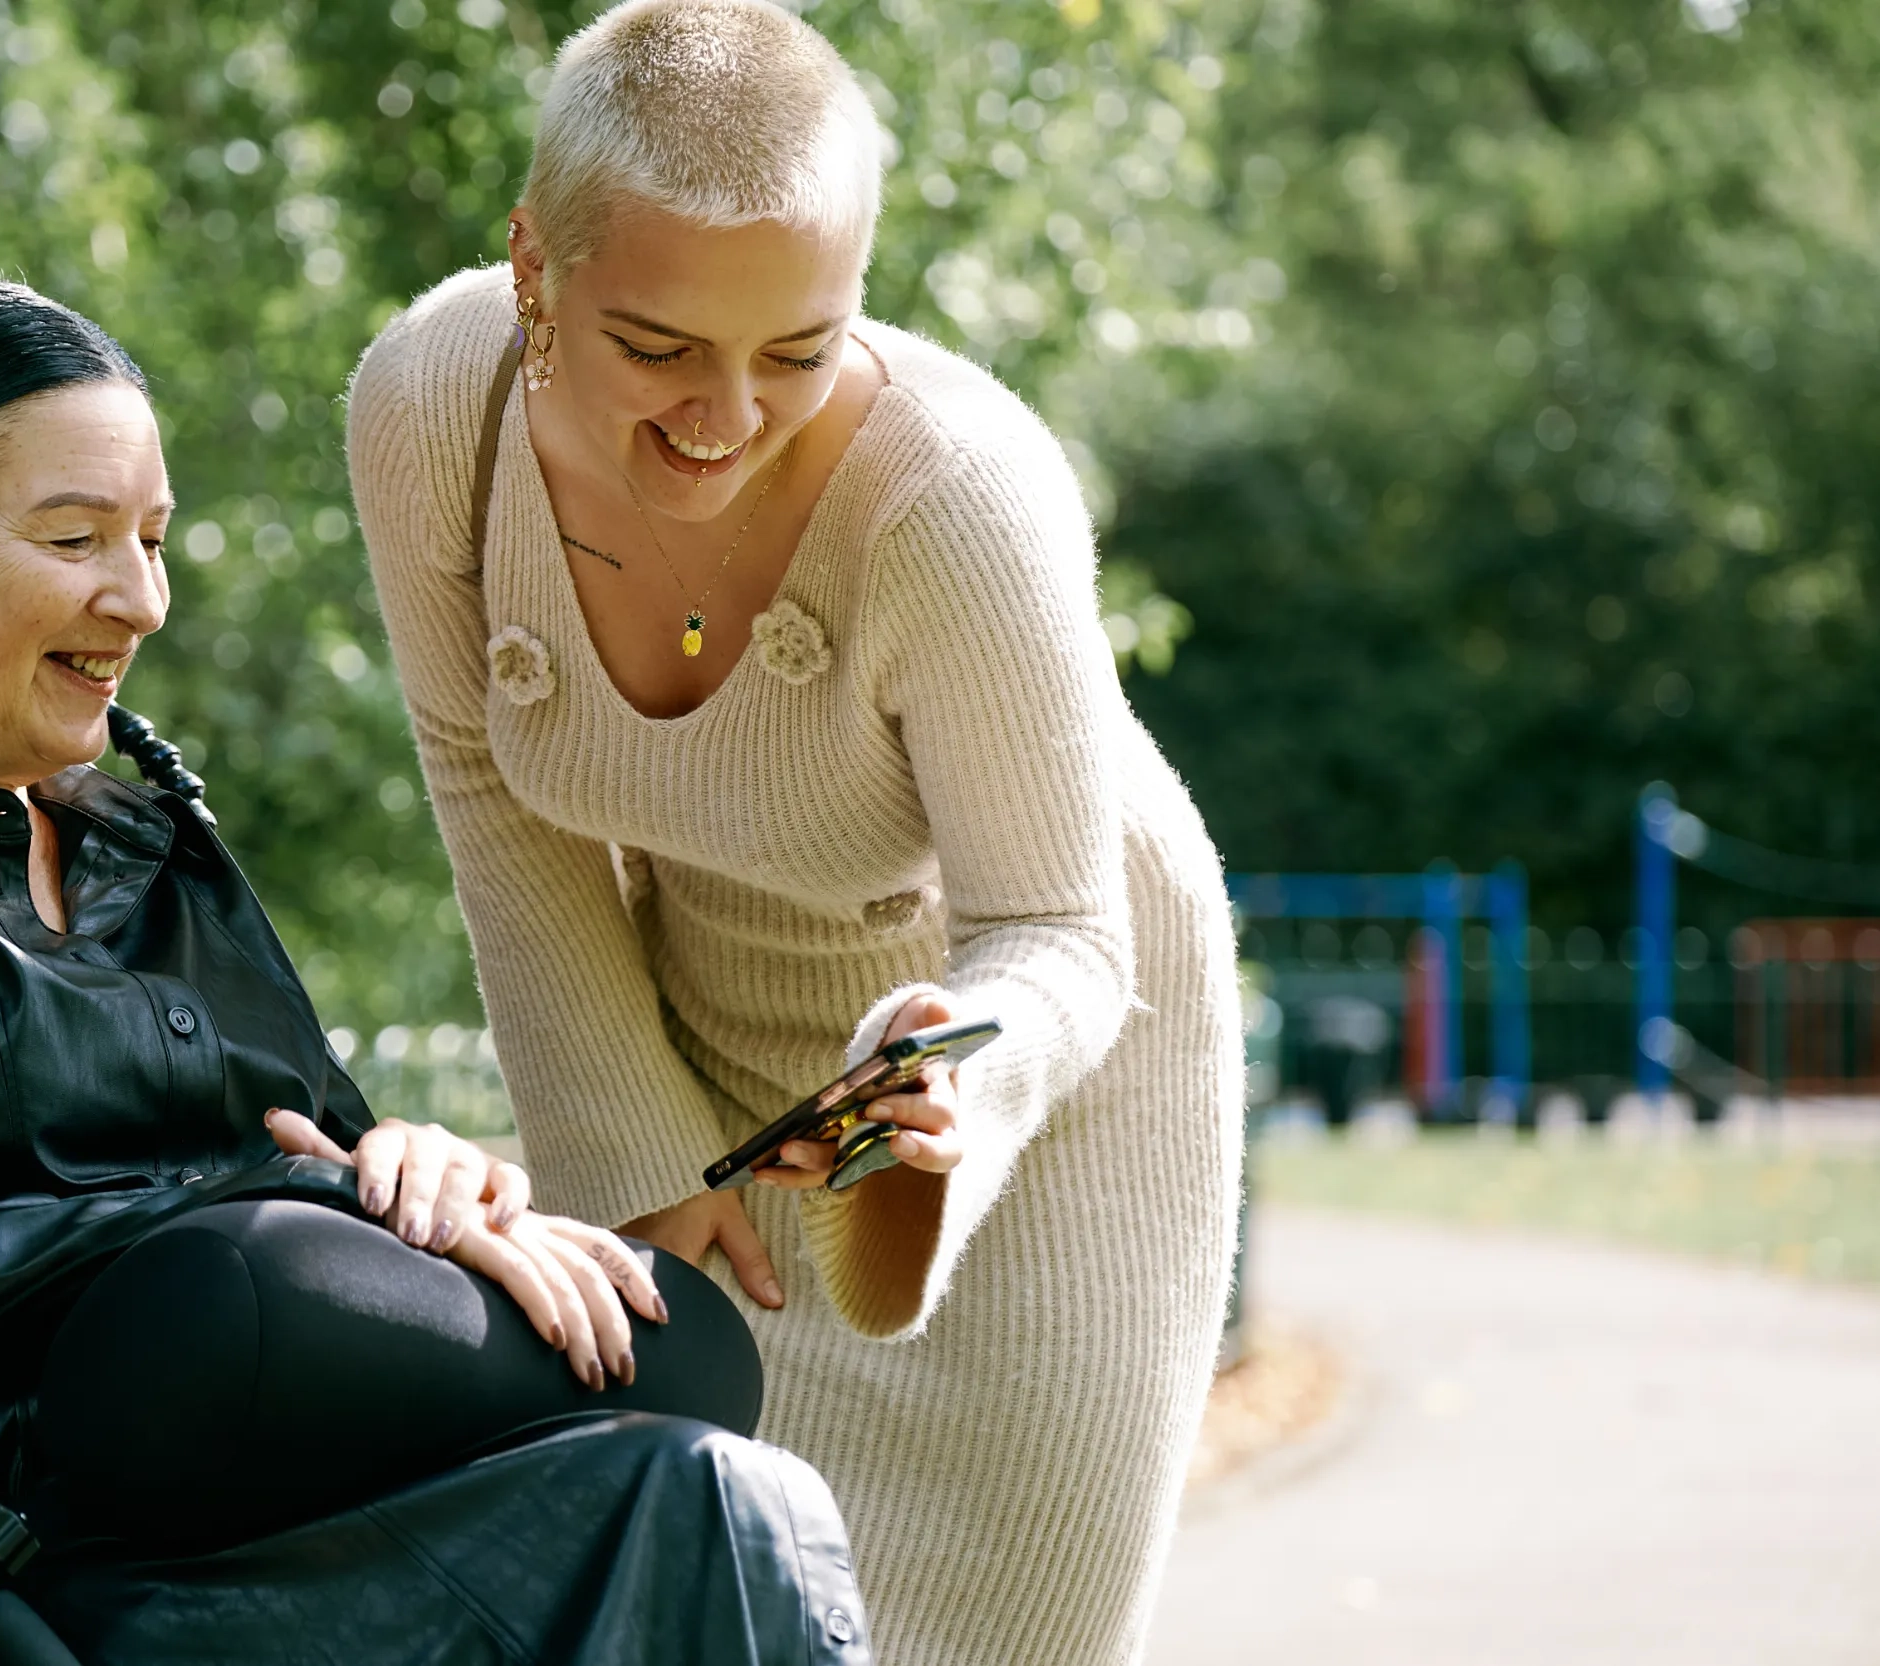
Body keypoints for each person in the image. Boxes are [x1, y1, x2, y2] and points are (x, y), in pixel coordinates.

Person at [0, 273, 870, 1666]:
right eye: (77, 537)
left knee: (692, 1400)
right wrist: (246, 1196)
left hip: (276, 1463)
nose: (141, 599)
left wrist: (418, 1170)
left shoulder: (146, 842)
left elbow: (319, 1144)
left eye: (154, 540)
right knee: (238, 1280)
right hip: (11, 1529)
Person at [343, 2, 1244, 1661]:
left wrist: (939, 1086)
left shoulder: (960, 501)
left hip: (1024, 1083)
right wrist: (637, 1166)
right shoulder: (431, 413)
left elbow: (1061, 927)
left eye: (797, 351)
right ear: (535, 268)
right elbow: (491, 795)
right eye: (660, 348)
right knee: (702, 1606)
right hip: (698, 1032)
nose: (726, 418)